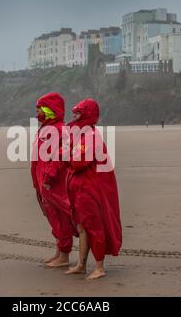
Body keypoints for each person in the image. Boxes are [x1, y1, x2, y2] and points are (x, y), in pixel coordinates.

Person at [65, 98, 122, 280]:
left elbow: (78, 162)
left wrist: (68, 154)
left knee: (94, 227)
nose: (74, 115)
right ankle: (81, 264)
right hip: (80, 188)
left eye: (78, 112)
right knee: (82, 227)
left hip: (89, 189)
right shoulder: (82, 134)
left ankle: (99, 266)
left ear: (87, 114)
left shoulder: (89, 135)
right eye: (73, 112)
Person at [31, 93, 76, 268]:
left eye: (39, 109)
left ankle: (64, 256)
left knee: (60, 217)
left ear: (49, 110)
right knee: (52, 216)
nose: (36, 114)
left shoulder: (59, 130)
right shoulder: (46, 129)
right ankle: (59, 251)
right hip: (43, 181)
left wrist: (49, 177)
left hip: (53, 182)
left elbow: (60, 156)